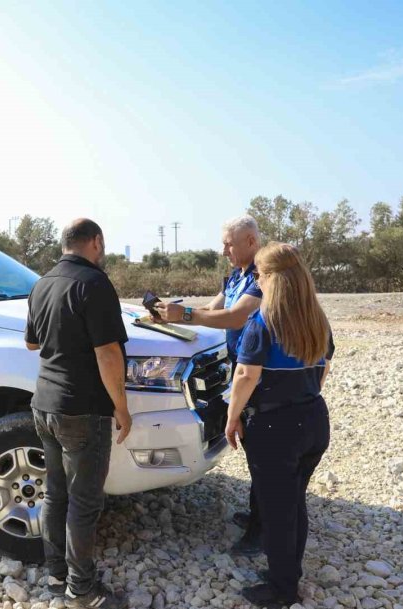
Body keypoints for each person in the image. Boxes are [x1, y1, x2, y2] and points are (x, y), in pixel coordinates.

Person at [25, 218, 131, 609]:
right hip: (82, 410)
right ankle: (82, 591)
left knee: (55, 493)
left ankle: (56, 576)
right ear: (96, 243)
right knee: (84, 502)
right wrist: (122, 408)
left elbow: (32, 343)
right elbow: (108, 353)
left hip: (44, 405)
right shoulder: (95, 284)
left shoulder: (41, 283)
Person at [224, 242, 334, 608]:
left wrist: (232, 416)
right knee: (294, 503)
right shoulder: (317, 318)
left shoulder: (262, 321)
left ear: (271, 277)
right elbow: (323, 373)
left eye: (258, 272)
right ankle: (288, 573)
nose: (255, 277)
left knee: (276, 510)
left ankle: (282, 589)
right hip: (314, 419)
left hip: (275, 428)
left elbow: (245, 375)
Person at [153, 214, 264, 556]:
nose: (224, 250)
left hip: (260, 373)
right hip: (240, 369)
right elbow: (211, 309)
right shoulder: (234, 277)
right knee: (254, 450)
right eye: (224, 243)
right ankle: (259, 515)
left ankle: (262, 531)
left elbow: (235, 317)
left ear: (250, 242)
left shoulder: (263, 276)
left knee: (264, 452)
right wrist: (172, 312)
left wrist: (185, 316)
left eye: (230, 243)